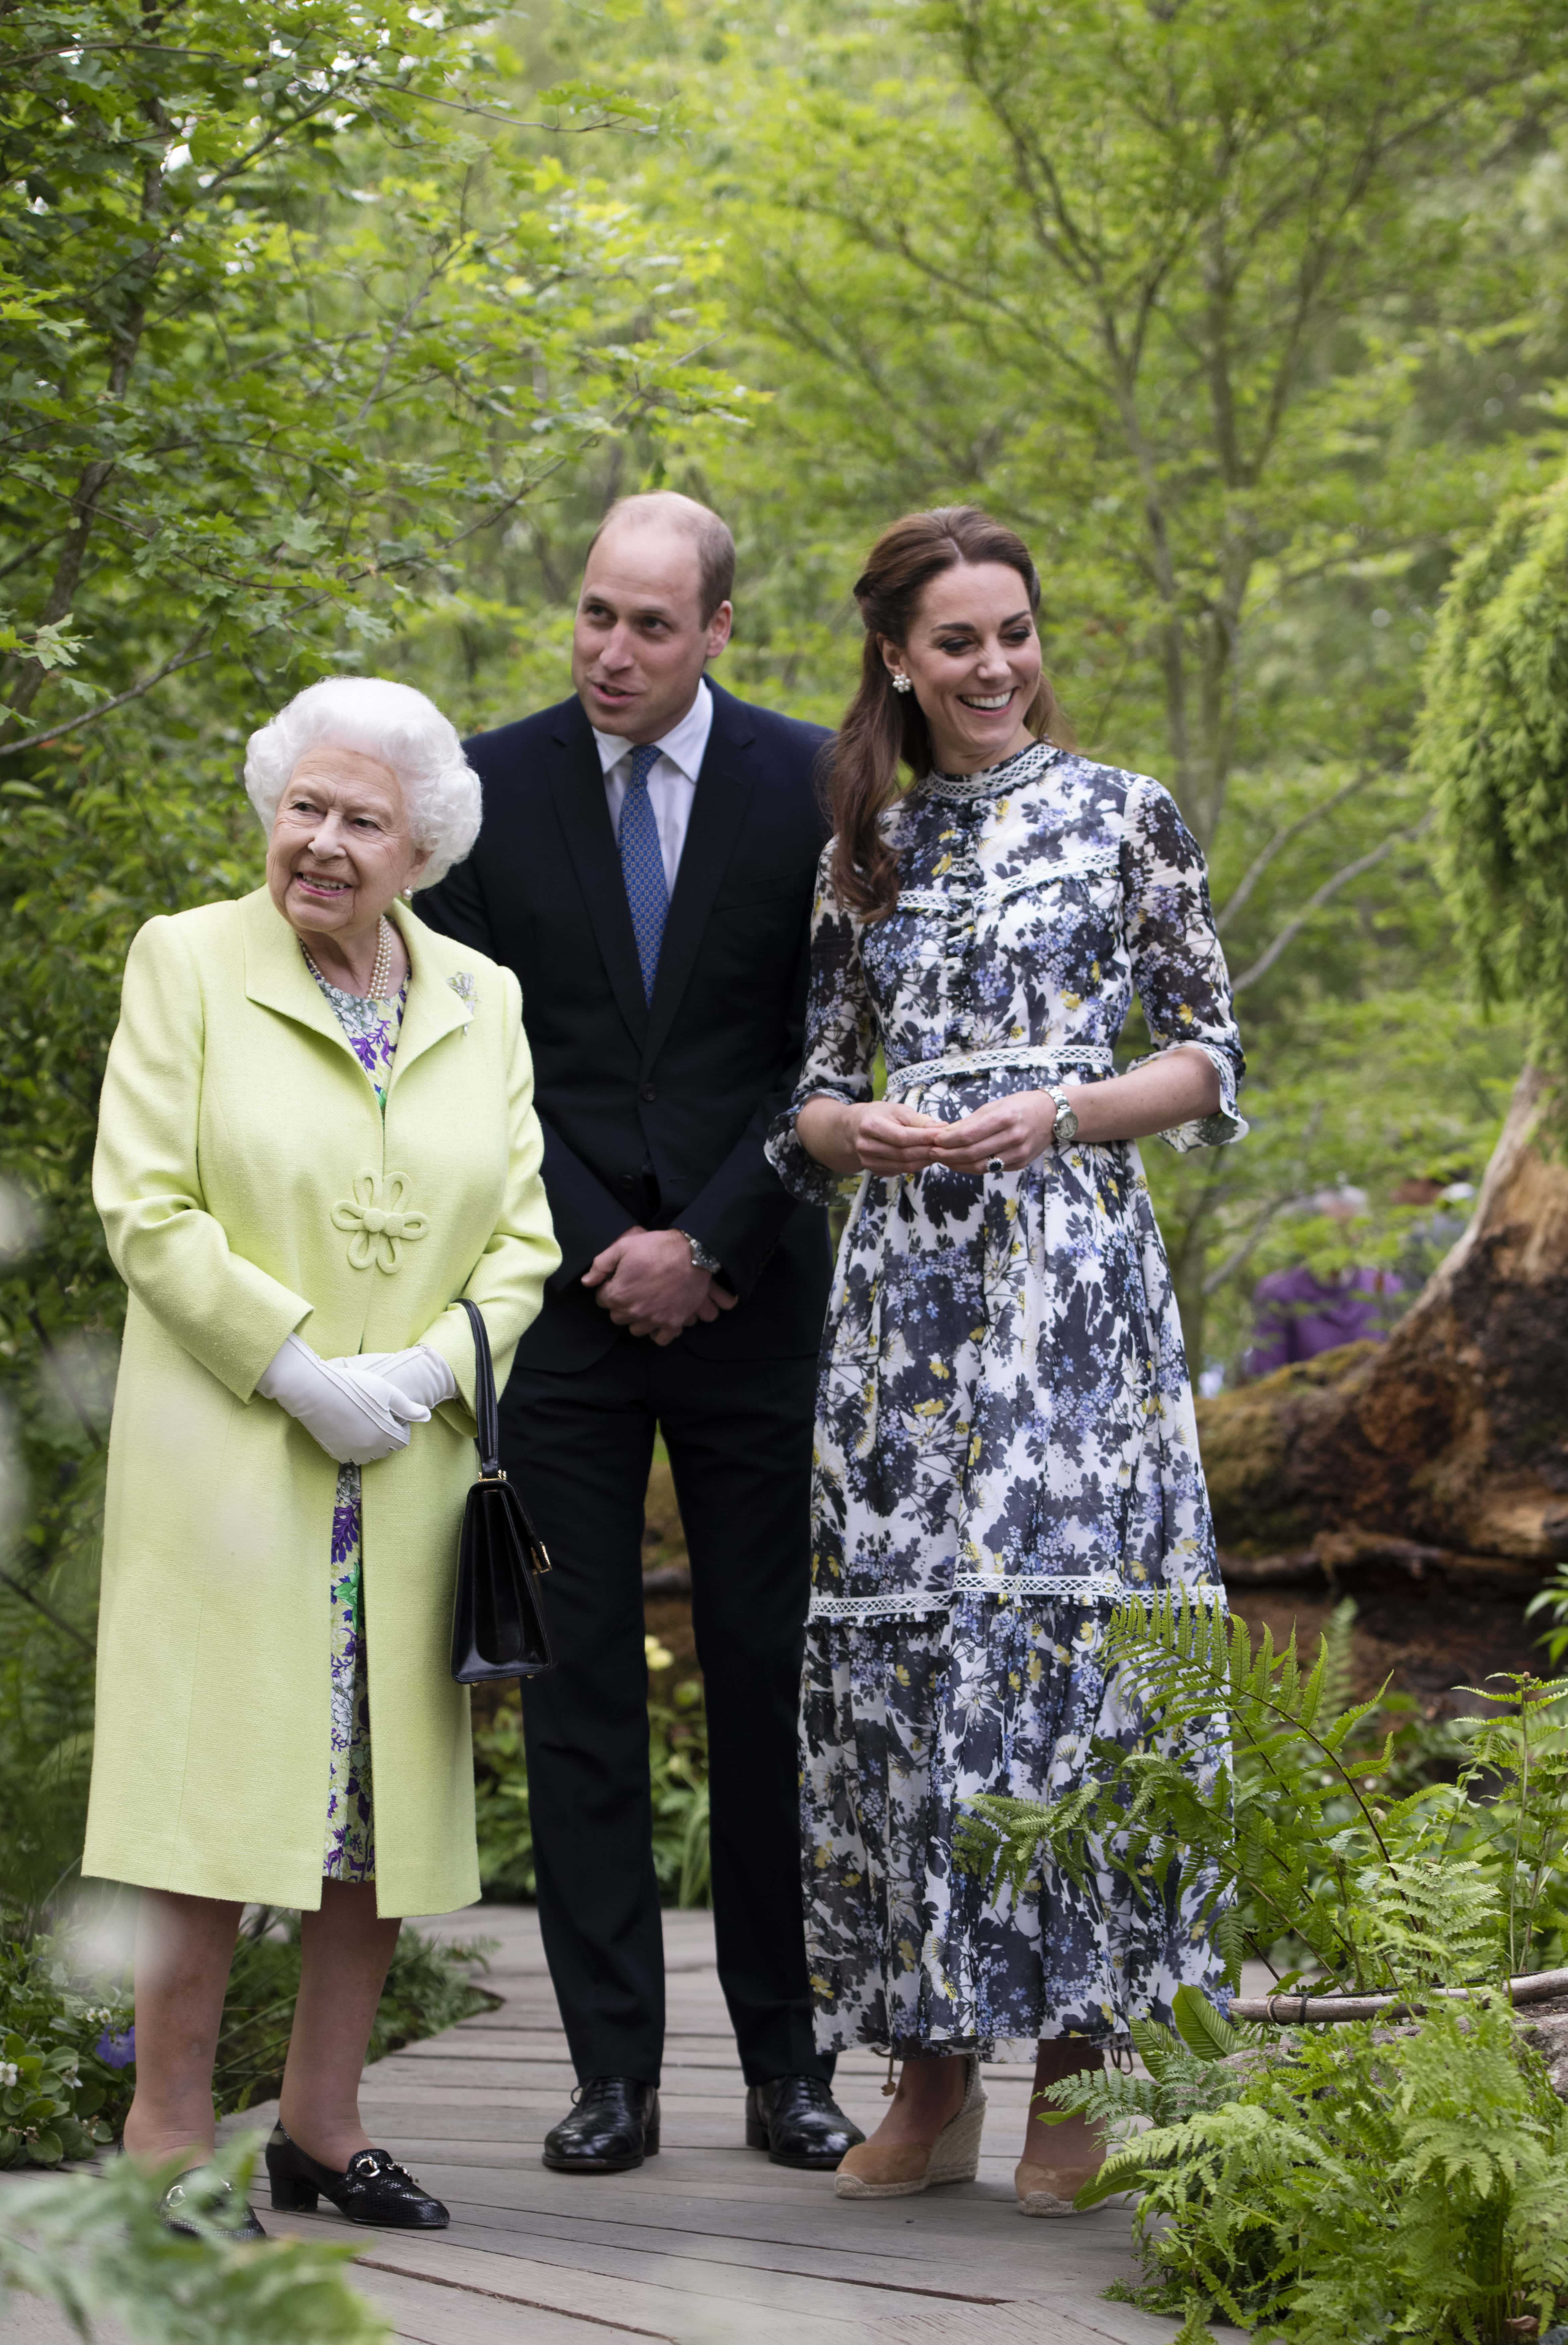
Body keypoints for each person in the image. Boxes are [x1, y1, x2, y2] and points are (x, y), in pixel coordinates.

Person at [766, 508, 1246, 2218]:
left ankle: (1077, 2065)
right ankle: (933, 2068)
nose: (994, 666)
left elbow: (1205, 1054)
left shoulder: (1127, 814)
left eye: (1016, 632)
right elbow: (807, 1093)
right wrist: (858, 1128)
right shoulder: (864, 846)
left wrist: (1057, 1110)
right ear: (898, 655)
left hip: (1071, 1283)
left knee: (1067, 1648)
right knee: (914, 1669)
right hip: (906, 1311)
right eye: (959, 640)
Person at [416, 491, 863, 2176]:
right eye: (595, 614)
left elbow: (832, 1040)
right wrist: (617, 1246)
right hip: (570, 1312)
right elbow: (466, 1058)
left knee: (767, 1683)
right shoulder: (485, 788)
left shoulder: (817, 785)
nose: (610, 651)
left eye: (651, 625)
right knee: (578, 1692)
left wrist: (721, 1236)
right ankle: (612, 2074)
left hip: (758, 1300)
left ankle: (788, 2067)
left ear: (722, 631)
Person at [85, 676, 558, 2235]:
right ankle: (164, 2131)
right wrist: (293, 1366)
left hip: (407, 1471)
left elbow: (524, 1233)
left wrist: (426, 1371)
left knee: (372, 1811)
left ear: (421, 844)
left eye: (363, 819)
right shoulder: (189, 960)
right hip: (236, 1456)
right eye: (305, 805)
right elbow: (145, 1203)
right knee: (208, 1805)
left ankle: (321, 2119)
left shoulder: (482, 995)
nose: (325, 842)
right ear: (269, 808)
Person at [1244, 1186, 1402, 1375]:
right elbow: (1266, 1373)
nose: (1341, 1240)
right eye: (1332, 1230)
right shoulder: (1279, 1292)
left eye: (1348, 1229)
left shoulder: (1385, 1288)